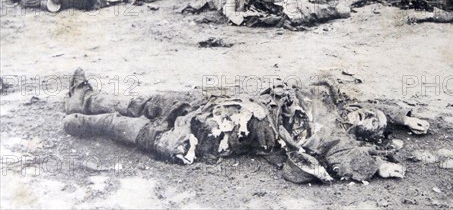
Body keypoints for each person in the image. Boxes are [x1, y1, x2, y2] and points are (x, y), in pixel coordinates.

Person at [64, 68, 430, 183]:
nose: (362, 117)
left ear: (362, 134)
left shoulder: (333, 135)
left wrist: (378, 165)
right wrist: (400, 116)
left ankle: (79, 122)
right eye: (367, 112)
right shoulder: (328, 98)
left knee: (142, 130)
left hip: (220, 130)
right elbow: (364, 102)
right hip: (223, 104)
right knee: (150, 102)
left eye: (368, 123)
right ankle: (83, 99)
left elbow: (344, 158)